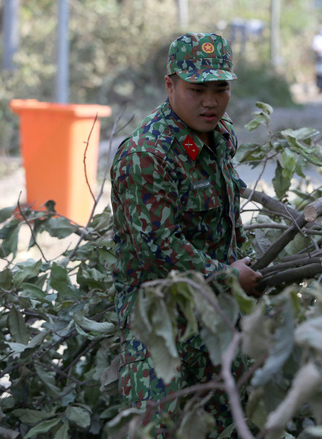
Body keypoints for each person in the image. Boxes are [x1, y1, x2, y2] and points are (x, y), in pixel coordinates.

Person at [110, 32, 262, 436]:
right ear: (170, 86)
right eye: (196, 90)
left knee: (227, 423)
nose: (210, 102)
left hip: (218, 313)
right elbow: (156, 246)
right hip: (159, 316)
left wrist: (245, 267)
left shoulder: (221, 135)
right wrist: (227, 276)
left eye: (221, 89)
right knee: (157, 427)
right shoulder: (147, 153)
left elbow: (230, 220)